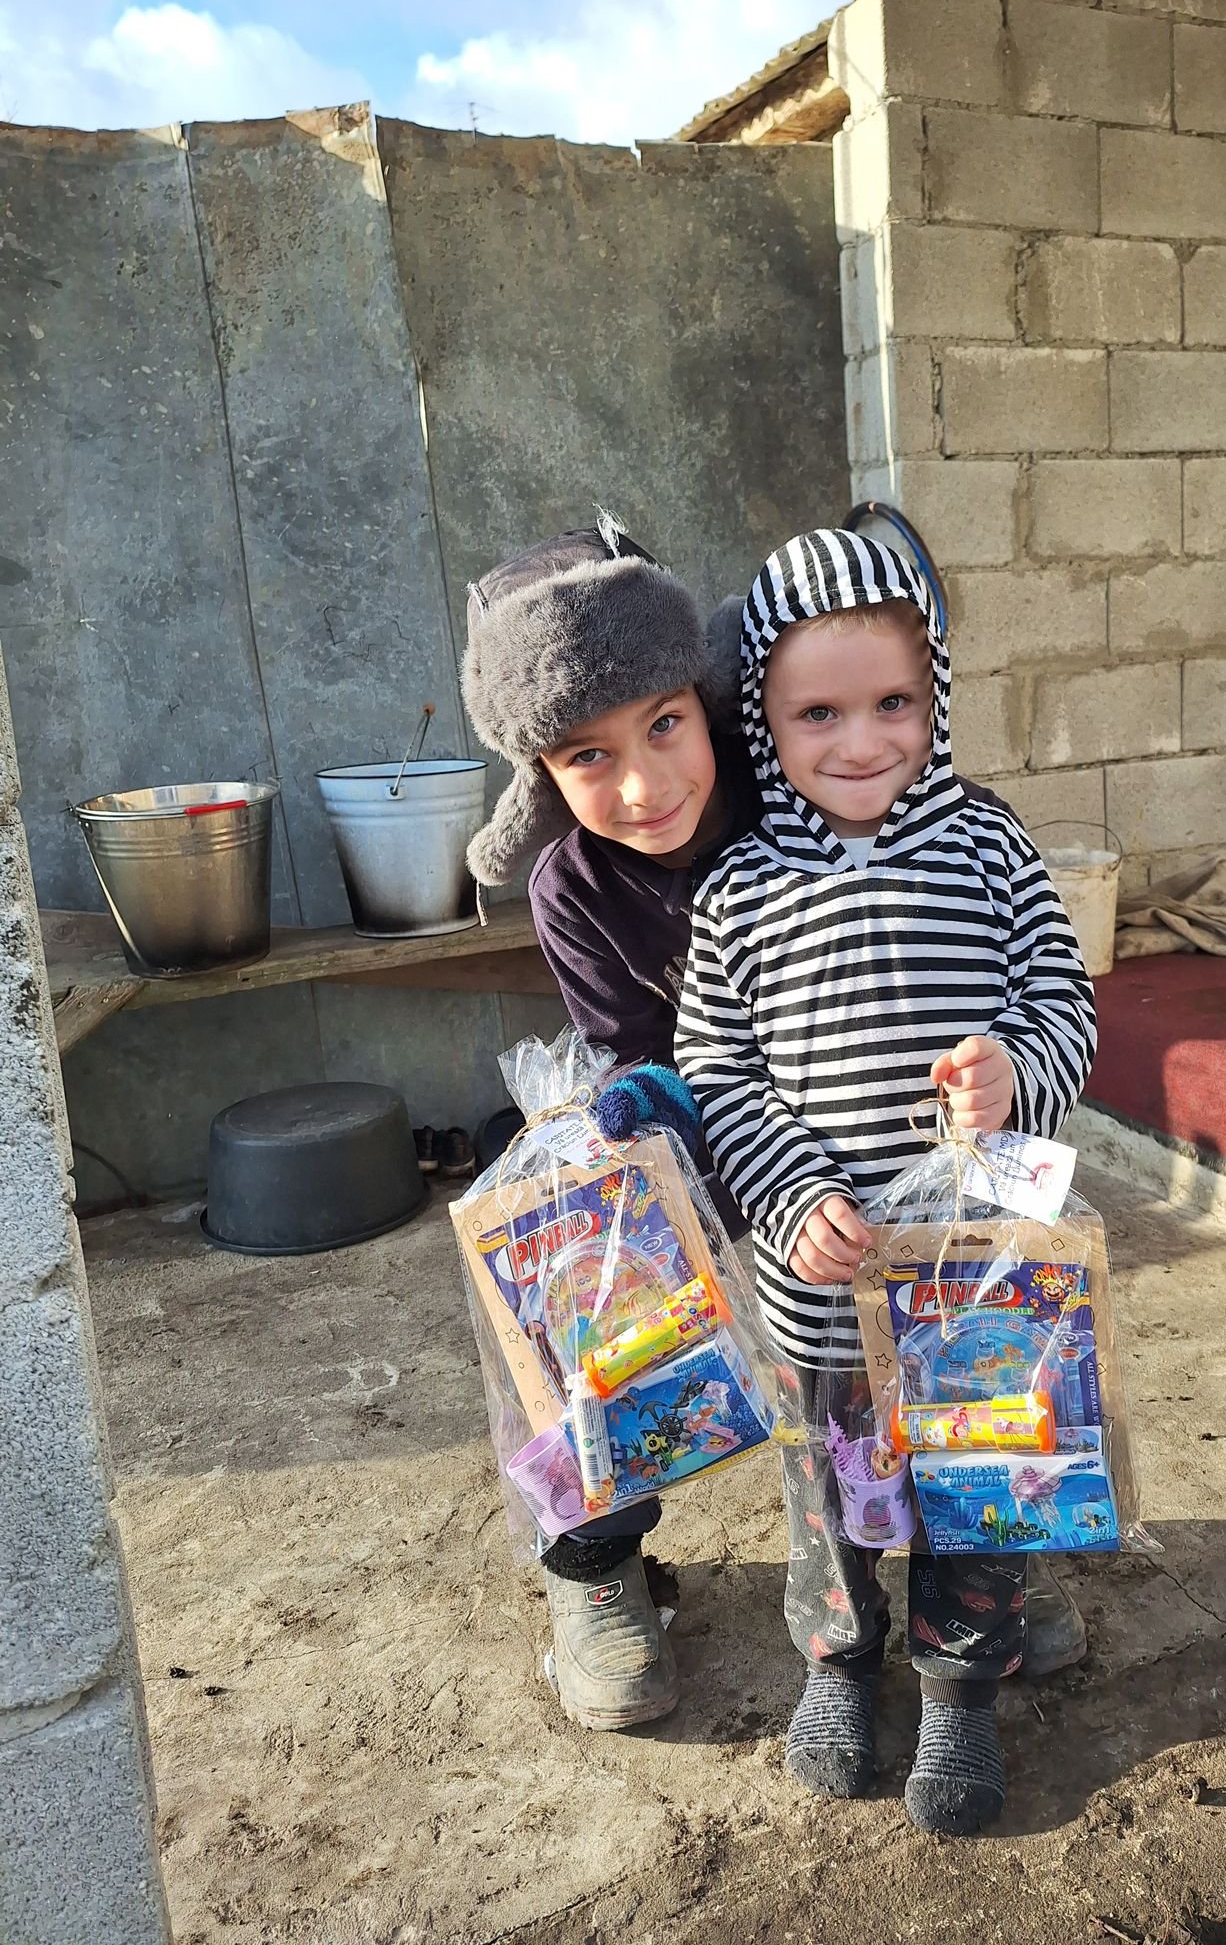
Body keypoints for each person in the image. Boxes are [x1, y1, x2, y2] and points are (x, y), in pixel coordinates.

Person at [674, 527, 1097, 1834]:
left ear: (937, 696)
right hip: (822, 1282)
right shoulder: (738, 892)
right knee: (833, 1491)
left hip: (975, 1281)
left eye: (894, 703)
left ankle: (963, 1689)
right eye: (819, 713)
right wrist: (792, 1194)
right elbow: (718, 1072)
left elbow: (1066, 1001)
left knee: (979, 1480)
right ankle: (842, 1662)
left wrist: (1016, 1070)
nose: (862, 742)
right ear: (765, 717)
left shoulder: (989, 848)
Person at [460, 513, 756, 1732]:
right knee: (553, 1245)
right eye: (588, 755)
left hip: (849, 1124)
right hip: (697, 1137)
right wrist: (637, 1127)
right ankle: (593, 1561)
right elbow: (628, 1050)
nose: (643, 784)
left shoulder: (794, 797)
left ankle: (979, 1545)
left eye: (664, 724)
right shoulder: (570, 886)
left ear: (703, 696)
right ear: (540, 771)